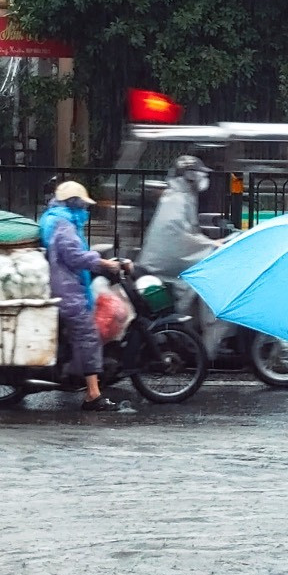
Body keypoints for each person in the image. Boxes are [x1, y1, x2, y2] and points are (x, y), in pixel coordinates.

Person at [38, 180, 126, 412]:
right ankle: (92, 394)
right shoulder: (64, 225)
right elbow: (74, 256)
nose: (86, 210)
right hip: (67, 290)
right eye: (83, 205)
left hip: (63, 284)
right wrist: (101, 262)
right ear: (74, 203)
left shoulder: (56, 219)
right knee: (89, 336)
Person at [137, 155, 226, 351]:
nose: (205, 180)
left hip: (172, 263)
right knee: (209, 283)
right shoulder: (176, 199)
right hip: (166, 266)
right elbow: (177, 237)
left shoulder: (182, 197)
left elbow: (190, 233)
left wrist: (210, 242)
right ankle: (206, 345)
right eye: (201, 174)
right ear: (190, 177)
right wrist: (209, 246)